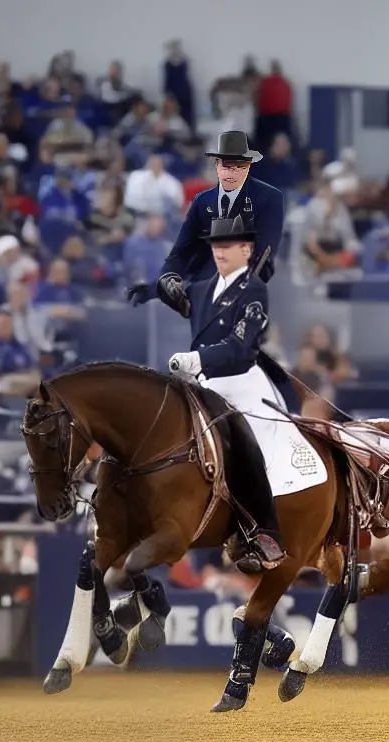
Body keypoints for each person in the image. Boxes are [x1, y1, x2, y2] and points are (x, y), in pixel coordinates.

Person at [163, 215, 296, 574]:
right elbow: (177, 293)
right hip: (206, 382)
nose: (219, 251)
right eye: (216, 245)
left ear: (247, 250)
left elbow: (239, 348)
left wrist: (197, 358)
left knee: (249, 445)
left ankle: (266, 532)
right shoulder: (205, 287)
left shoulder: (253, 291)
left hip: (240, 381)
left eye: (228, 245)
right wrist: (161, 285)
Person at [126, 130, 284, 308]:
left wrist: (239, 291)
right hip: (205, 295)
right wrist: (154, 289)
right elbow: (183, 255)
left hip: (245, 297)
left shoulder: (268, 199)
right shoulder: (203, 202)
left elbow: (265, 255)